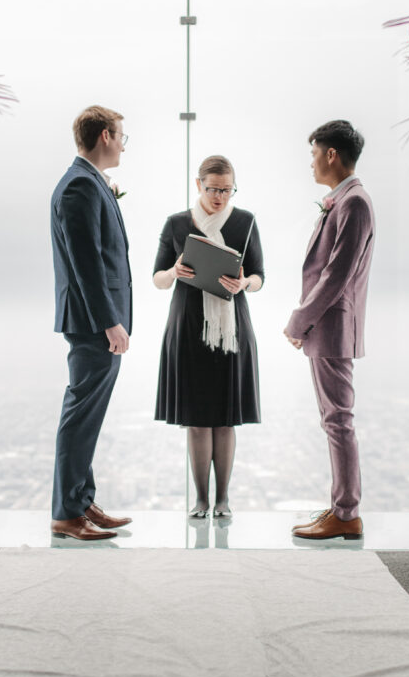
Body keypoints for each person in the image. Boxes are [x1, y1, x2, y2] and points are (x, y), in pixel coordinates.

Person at [153, 155, 264, 519]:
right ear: (198, 185)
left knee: (225, 418)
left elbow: (260, 275)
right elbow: (157, 278)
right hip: (188, 325)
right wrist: (175, 271)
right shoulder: (177, 224)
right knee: (197, 419)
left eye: (227, 190)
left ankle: (223, 499)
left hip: (232, 329)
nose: (220, 197)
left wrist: (245, 282)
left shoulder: (245, 222)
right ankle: (201, 498)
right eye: (214, 189)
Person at [284, 120, 375, 540]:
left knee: (338, 420)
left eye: (314, 153)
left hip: (331, 327)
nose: (312, 162)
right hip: (328, 327)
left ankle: (346, 513)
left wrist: (300, 320)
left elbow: (336, 275)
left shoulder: (354, 203)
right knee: (334, 420)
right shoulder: (343, 201)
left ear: (332, 154)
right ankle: (341, 507)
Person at [50, 105, 133, 541]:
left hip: (95, 321)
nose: (123, 144)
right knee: (80, 416)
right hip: (91, 323)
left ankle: (81, 501)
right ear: (104, 135)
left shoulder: (89, 183)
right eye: (121, 135)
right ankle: (66, 512)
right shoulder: (80, 186)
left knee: (88, 415)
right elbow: (87, 265)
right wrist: (110, 322)